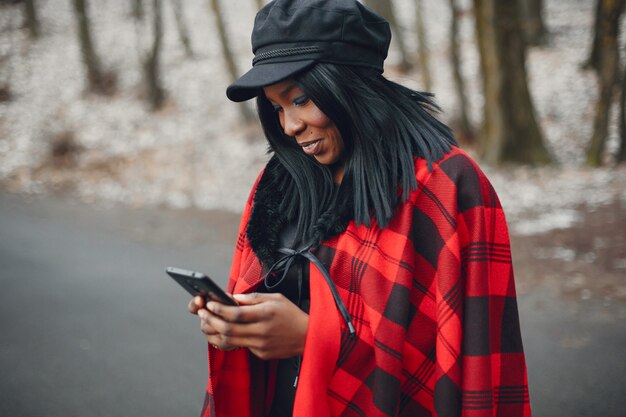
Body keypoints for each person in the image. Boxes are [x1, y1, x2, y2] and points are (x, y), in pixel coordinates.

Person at [188, 1, 531, 416]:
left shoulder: (445, 186)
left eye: (301, 99)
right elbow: (254, 295)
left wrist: (314, 339)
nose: (289, 126)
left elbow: (467, 360)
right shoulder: (277, 184)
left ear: (350, 86)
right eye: (277, 107)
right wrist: (233, 324)